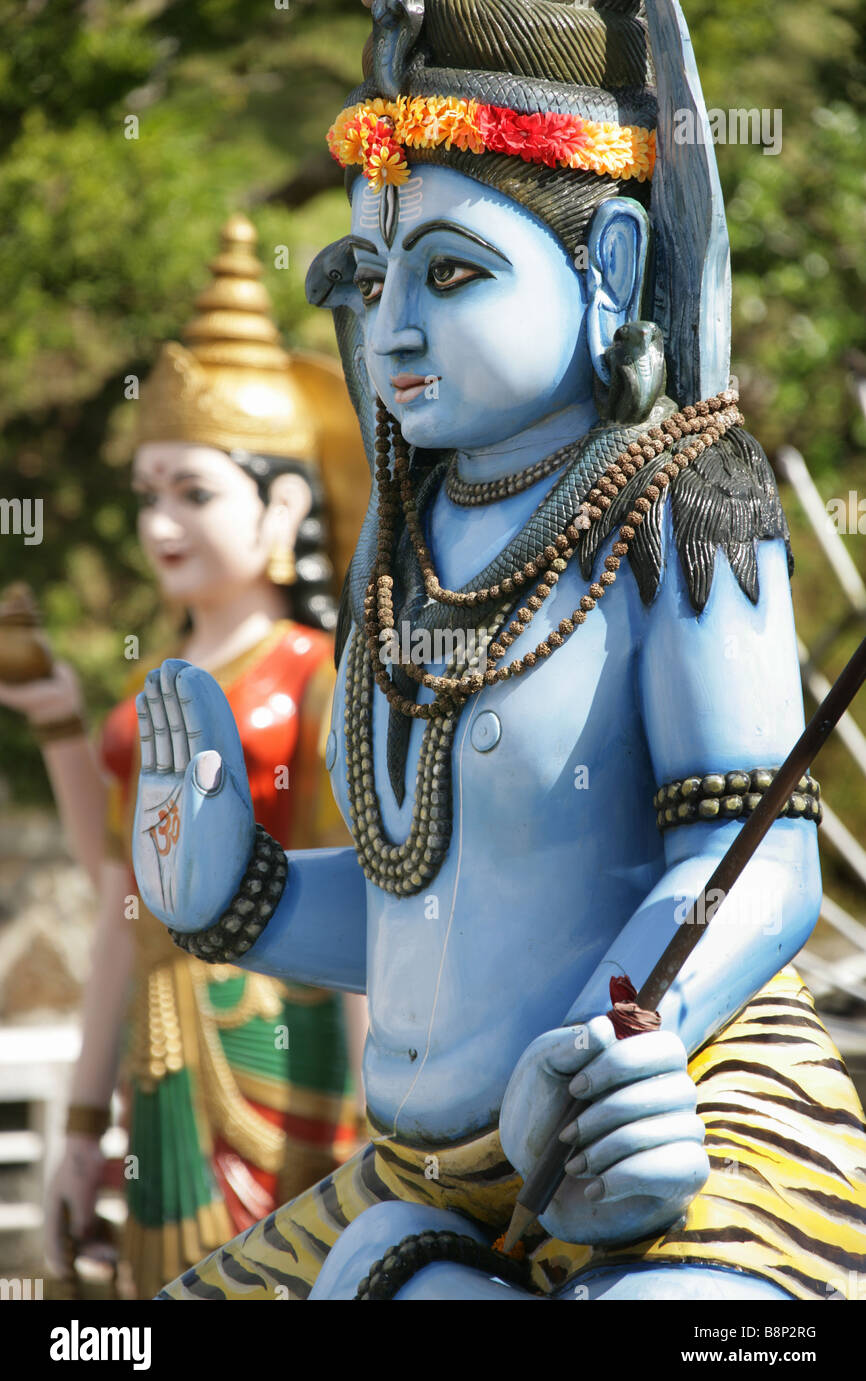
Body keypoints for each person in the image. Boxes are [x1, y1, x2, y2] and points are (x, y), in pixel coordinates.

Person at [132, 1, 866, 1301]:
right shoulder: (407, 548)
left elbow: (754, 866)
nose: (392, 328)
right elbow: (432, 915)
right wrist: (240, 896)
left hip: (658, 1118)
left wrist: (613, 1037)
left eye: (452, 272)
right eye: (371, 280)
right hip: (418, 1174)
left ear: (611, 263)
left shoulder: (680, 499)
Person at [0, 214, 369, 1298]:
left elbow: (361, 896)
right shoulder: (151, 690)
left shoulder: (313, 675)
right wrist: (78, 1122)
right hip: (157, 1045)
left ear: (283, 506)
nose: (160, 524)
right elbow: (122, 887)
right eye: (148, 493)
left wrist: (392, 1121)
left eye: (194, 492)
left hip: (287, 1030)